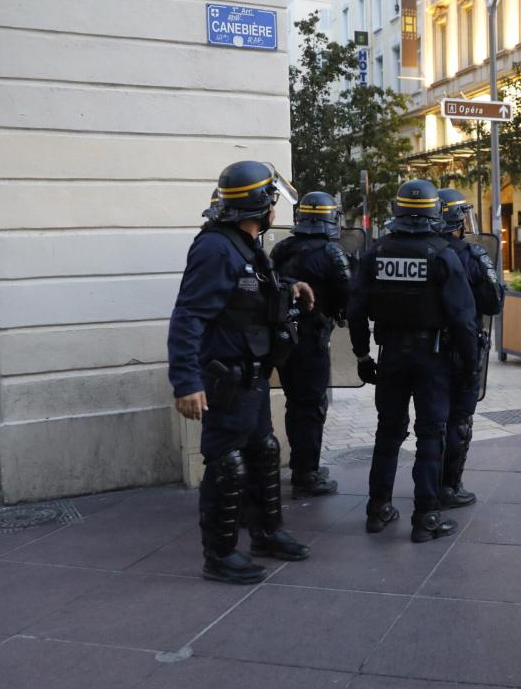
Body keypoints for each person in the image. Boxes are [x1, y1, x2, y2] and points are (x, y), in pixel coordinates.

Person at [169, 161, 313, 584]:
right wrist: (187, 382)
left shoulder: (244, 244)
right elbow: (188, 316)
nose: (274, 208)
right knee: (227, 463)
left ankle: (266, 534)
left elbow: (248, 291)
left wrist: (289, 288)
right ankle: (220, 555)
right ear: (260, 204)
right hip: (225, 377)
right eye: (271, 200)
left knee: (264, 451)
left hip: (251, 374)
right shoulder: (215, 248)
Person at [348, 179, 479, 542]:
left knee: (388, 432)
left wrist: (362, 355)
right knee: (430, 434)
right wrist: (469, 366)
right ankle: (427, 519)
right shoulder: (442, 254)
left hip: (390, 355)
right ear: (434, 212)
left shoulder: (375, 253)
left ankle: (378, 510)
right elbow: (464, 319)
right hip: (433, 358)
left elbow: (356, 310)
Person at [271, 192, 352, 498]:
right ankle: (307, 474)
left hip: (284, 340)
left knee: (296, 403)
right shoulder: (332, 253)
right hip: (312, 340)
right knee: (313, 405)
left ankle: (300, 465)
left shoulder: (283, 247)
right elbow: (349, 293)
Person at [436, 188, 504, 508]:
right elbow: (493, 303)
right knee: (459, 418)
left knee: (432, 418)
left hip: (429, 350)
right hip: (463, 347)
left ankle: (429, 482)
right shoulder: (471, 255)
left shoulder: (424, 251)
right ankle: (450, 486)